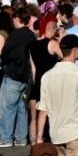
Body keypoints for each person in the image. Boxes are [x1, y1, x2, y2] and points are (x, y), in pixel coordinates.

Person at [0, 6, 37, 148]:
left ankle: (6, 138)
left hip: (13, 74)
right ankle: (21, 138)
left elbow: (5, 53)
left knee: (5, 107)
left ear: (17, 19)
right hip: (26, 76)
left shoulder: (15, 35)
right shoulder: (31, 35)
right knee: (21, 108)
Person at [27, 16, 61, 144]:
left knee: (34, 118)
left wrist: (35, 84)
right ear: (51, 28)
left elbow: (34, 69)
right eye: (56, 28)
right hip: (50, 83)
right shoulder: (52, 44)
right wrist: (62, 39)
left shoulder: (31, 45)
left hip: (37, 83)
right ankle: (50, 141)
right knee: (49, 115)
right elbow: (66, 56)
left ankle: (34, 145)